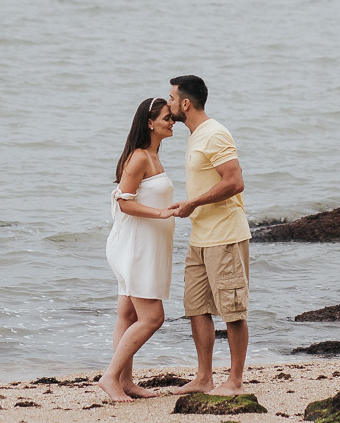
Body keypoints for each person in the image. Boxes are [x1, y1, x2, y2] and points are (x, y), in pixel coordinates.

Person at [166, 75, 251, 396]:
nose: (169, 103)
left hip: (225, 236)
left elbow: (234, 181)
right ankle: (204, 378)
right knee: (197, 307)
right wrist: (190, 205)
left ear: (185, 103)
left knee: (232, 310)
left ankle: (236, 381)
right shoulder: (196, 135)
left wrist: (193, 203)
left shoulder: (215, 134)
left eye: (172, 98)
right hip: (200, 237)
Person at [99, 97, 178, 402]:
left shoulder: (153, 155)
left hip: (145, 244)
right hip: (135, 247)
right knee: (152, 317)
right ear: (149, 123)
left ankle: (126, 382)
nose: (172, 123)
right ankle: (110, 377)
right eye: (166, 119)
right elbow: (124, 202)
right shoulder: (139, 158)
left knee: (128, 313)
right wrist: (161, 214)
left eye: (172, 118)